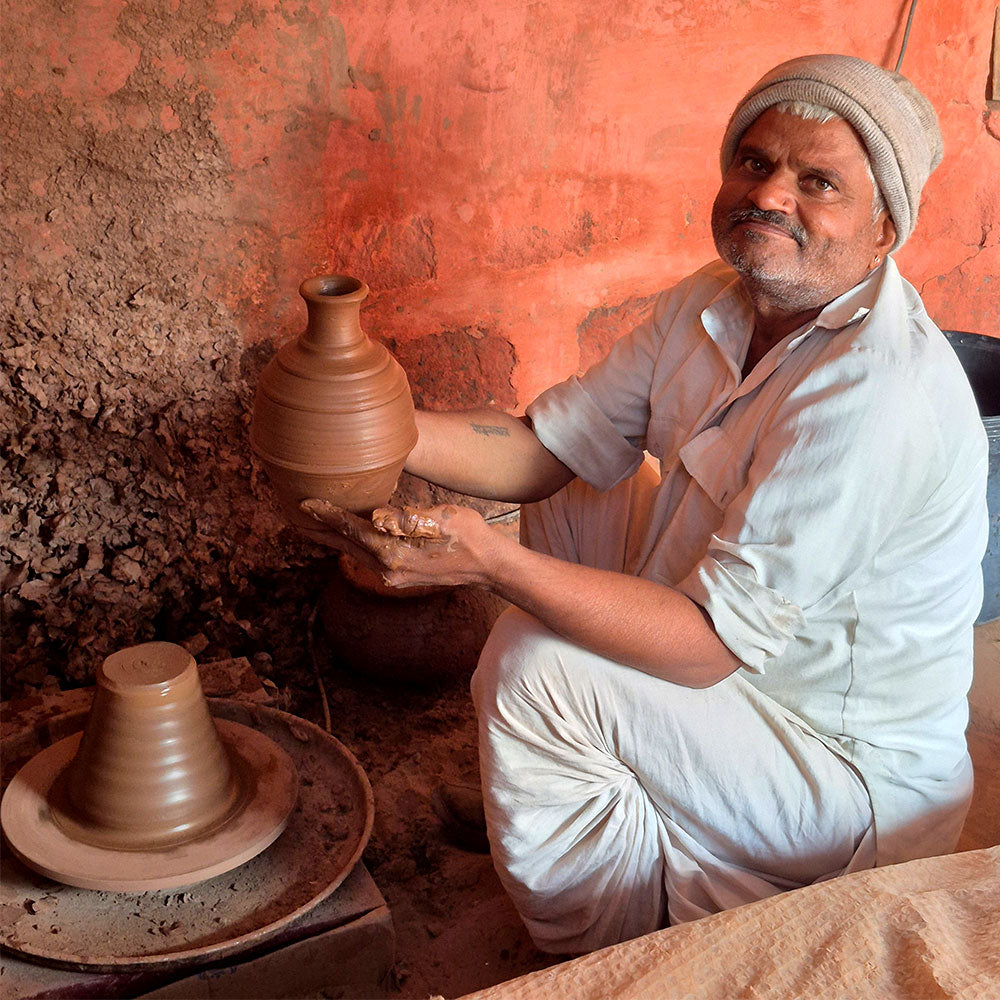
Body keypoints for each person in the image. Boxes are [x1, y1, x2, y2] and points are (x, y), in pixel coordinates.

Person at [303, 54, 989, 954]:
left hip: (839, 775)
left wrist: (492, 562)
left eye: (818, 182)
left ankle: (598, 945)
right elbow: (549, 450)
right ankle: (577, 794)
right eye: (755, 162)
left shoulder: (877, 393)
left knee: (530, 664)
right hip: (738, 673)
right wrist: (376, 428)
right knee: (590, 482)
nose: (770, 195)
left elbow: (707, 647)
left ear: (884, 228)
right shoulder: (712, 304)